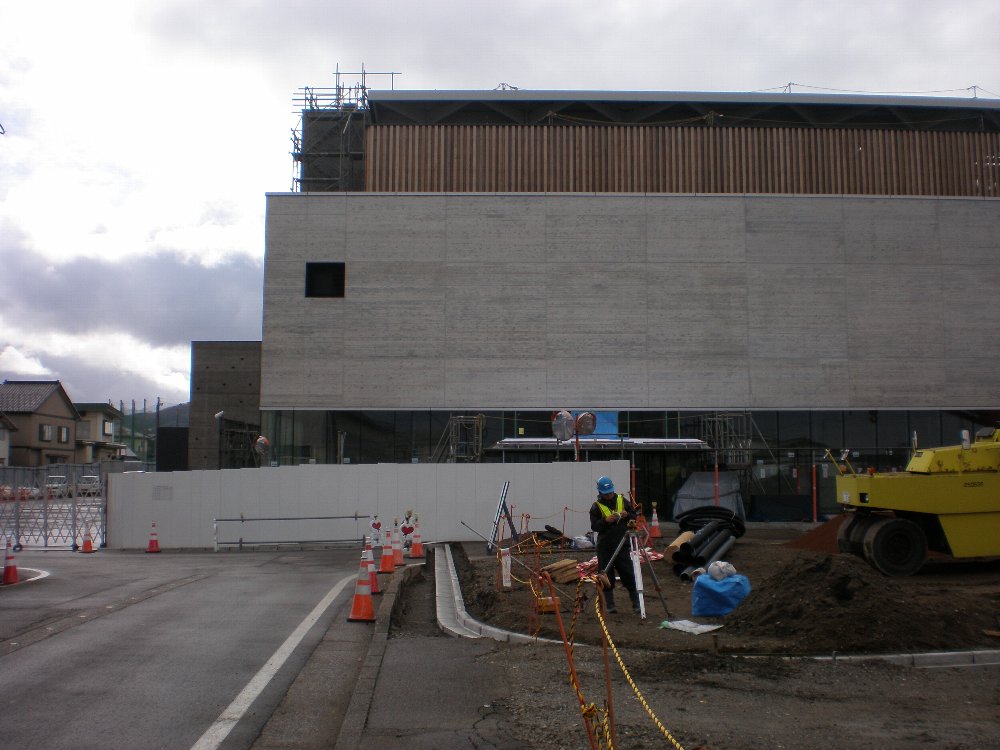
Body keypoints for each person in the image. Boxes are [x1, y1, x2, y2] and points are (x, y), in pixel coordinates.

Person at [589, 475, 640, 613]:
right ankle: (610, 605)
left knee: (628, 573)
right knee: (606, 576)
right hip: (605, 546)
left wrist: (626, 515)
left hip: (622, 543)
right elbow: (595, 526)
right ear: (600, 493)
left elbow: (633, 514)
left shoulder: (621, 500)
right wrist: (606, 521)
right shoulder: (596, 507)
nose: (609, 496)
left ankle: (636, 603)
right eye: (606, 494)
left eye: (610, 492)